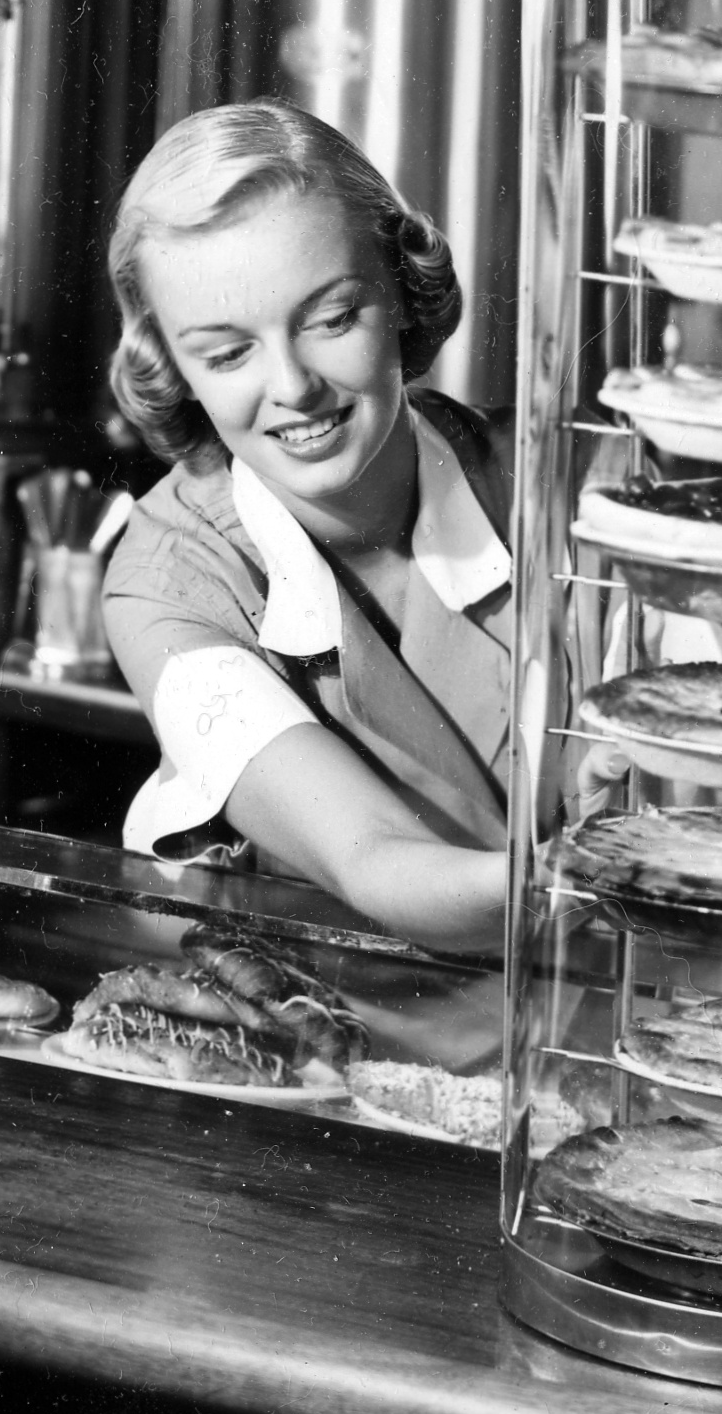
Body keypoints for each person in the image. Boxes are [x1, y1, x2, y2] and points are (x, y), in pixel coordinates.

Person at [96, 103, 511, 955]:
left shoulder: (567, 488)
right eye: (226, 353)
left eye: (330, 318)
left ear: (399, 290)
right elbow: (372, 859)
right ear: (170, 364)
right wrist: (606, 875)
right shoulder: (168, 579)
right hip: (322, 1050)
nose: (292, 385)